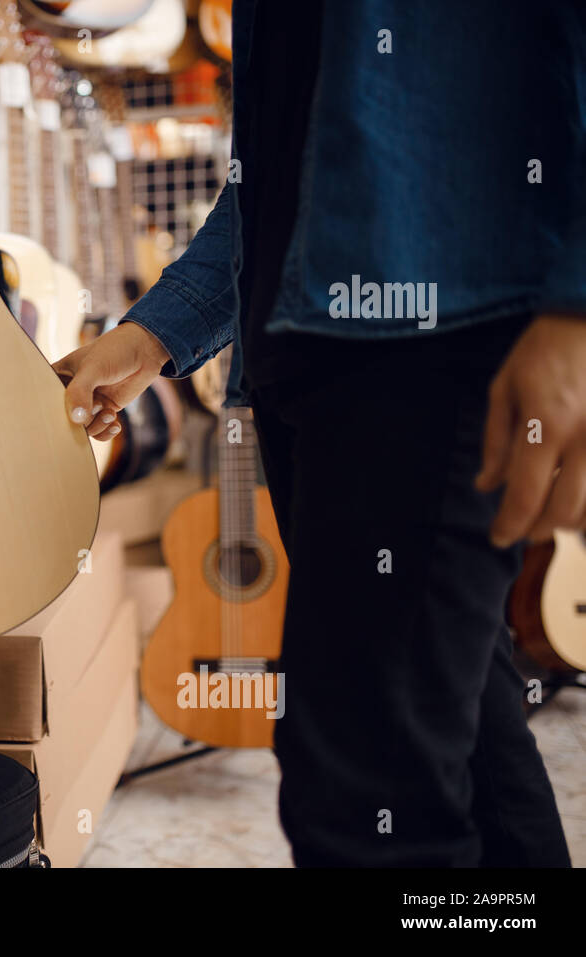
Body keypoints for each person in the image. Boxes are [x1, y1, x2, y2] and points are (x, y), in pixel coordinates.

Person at [55, 0, 584, 866]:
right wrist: (154, 334)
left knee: (366, 791)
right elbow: (276, 179)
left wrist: (576, 306)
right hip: (307, 365)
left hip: (436, 340)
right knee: (467, 739)